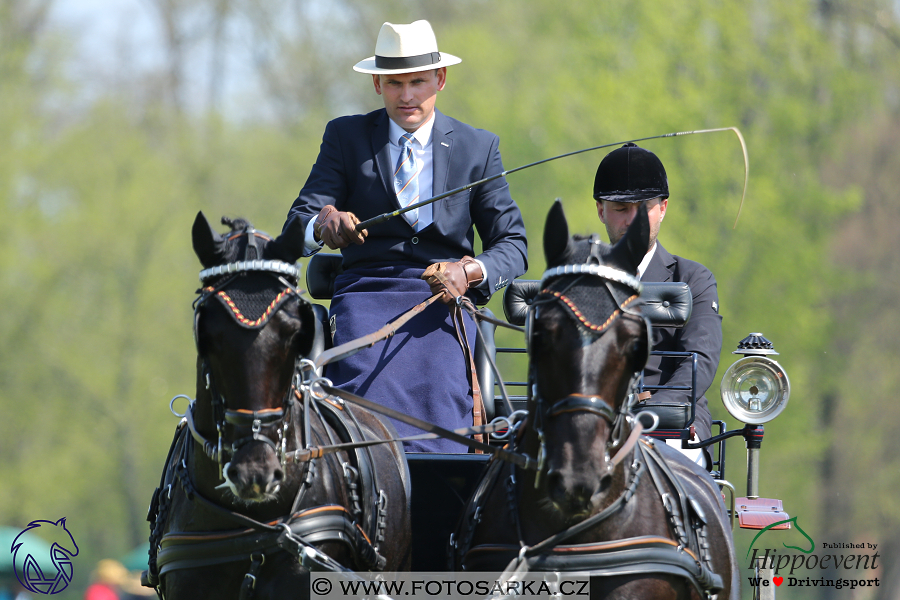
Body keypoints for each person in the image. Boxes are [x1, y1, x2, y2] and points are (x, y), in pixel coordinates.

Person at [279, 20, 528, 453]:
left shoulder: (478, 147)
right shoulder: (346, 137)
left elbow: (513, 245)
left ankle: (444, 483)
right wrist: (323, 224)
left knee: (445, 392)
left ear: (440, 79)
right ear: (377, 84)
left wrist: (469, 270)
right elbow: (296, 222)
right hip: (365, 297)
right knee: (361, 396)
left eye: (418, 82)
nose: (407, 95)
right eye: (394, 83)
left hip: (444, 302)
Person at [593, 143, 722, 462]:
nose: (632, 221)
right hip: (588, 419)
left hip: (671, 426)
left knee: (678, 466)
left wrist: (650, 410)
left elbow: (699, 362)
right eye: (621, 209)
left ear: (663, 208)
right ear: (601, 211)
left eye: (644, 208)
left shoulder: (693, 279)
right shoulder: (578, 280)